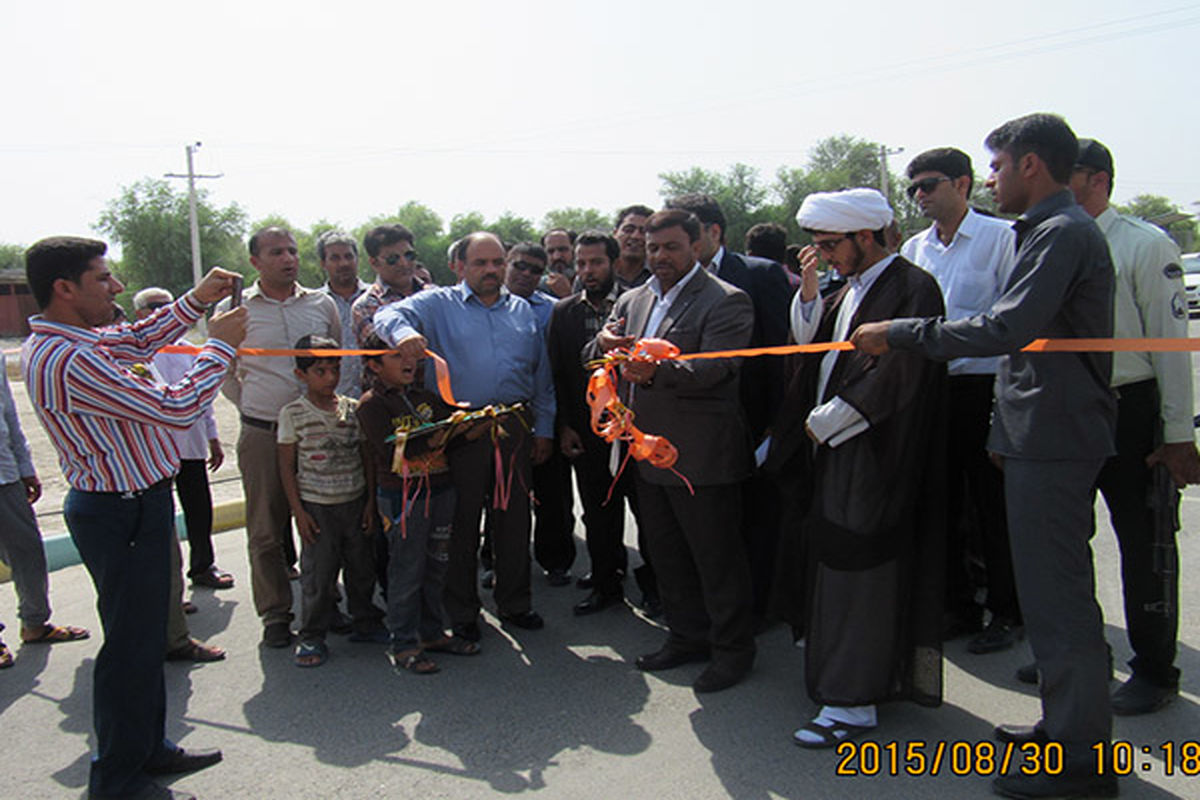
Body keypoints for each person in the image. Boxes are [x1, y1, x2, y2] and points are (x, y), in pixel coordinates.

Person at [851, 113, 1118, 799]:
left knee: (1060, 603)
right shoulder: (1049, 232)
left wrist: (899, 332)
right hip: (1039, 431)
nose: (991, 179)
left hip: (1057, 437)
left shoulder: (1060, 234)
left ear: (1031, 165)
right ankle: (1064, 725)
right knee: (1050, 593)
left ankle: (1081, 764)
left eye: (996, 167)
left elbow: (1007, 327)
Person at [23, 235, 243, 799]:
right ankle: (117, 780)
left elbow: (139, 336)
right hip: (115, 513)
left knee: (145, 641)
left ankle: (147, 749)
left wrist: (195, 301)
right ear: (64, 289)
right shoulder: (68, 358)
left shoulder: (83, 340)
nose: (116, 286)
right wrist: (218, 348)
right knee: (127, 647)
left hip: (138, 505)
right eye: (103, 278)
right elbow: (174, 409)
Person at [766, 188, 947, 747]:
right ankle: (847, 681)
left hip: (870, 456)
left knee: (858, 570)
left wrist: (826, 423)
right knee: (838, 565)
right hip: (836, 451)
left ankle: (853, 706)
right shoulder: (853, 288)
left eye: (829, 245)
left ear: (864, 237)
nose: (822, 256)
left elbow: (897, 377)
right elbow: (811, 350)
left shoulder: (912, 286)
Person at [1048, 137, 1200, 714]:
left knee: (1145, 543)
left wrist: (1178, 434)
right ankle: (1079, 655)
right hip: (1065, 407)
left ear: (1099, 179)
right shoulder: (1050, 243)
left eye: (1073, 173)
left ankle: (1155, 667)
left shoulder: (1142, 244)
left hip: (1128, 407)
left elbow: (1170, 349)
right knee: (1066, 542)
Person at [590, 209, 756, 693]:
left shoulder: (727, 301)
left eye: (671, 247)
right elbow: (600, 353)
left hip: (701, 456)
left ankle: (732, 652)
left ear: (698, 245)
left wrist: (655, 372)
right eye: (653, 247)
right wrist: (603, 341)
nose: (659, 256)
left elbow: (717, 369)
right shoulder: (635, 297)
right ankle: (686, 638)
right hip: (646, 452)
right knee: (666, 554)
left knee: (716, 559)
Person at [374, 231, 555, 642]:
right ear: (459, 266)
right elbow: (386, 317)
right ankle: (462, 611)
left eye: (497, 262)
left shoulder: (523, 311)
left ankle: (515, 603)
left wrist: (543, 428)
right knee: (459, 523)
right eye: (481, 263)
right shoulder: (437, 304)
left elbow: (540, 377)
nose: (491, 270)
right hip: (462, 430)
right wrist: (403, 335)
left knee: (513, 521)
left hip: (515, 426)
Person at [899, 147, 1022, 653]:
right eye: (913, 189)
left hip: (985, 387)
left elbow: (1012, 327)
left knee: (993, 507)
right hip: (932, 389)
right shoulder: (914, 249)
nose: (920, 196)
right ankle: (958, 605)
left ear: (963, 184)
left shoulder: (1002, 239)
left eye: (929, 185)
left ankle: (1008, 610)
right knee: (940, 502)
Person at [664, 193, 793, 622]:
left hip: (750, 423)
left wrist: (777, 424)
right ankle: (704, 615)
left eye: (686, 230)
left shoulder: (759, 275)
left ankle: (757, 612)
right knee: (703, 535)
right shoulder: (667, 282)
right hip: (690, 434)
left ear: (712, 232)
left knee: (753, 523)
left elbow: (780, 355)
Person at [217, 226, 341, 649]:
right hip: (263, 431)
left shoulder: (321, 305)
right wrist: (258, 407)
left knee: (323, 522)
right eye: (275, 252)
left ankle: (326, 605)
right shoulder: (233, 310)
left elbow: (335, 358)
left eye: (292, 251)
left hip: (319, 433)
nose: (288, 258)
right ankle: (275, 613)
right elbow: (224, 374)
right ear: (255, 262)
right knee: (267, 530)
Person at [356, 332, 483, 672]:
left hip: (441, 490)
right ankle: (404, 643)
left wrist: (470, 428)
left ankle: (431, 633)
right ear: (374, 364)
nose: (409, 361)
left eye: (412, 355)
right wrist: (437, 437)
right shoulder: (371, 404)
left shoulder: (426, 396)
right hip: (402, 496)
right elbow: (391, 454)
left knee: (437, 564)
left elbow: (450, 441)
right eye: (396, 356)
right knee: (407, 568)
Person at [130, 288, 227, 666]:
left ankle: (202, 566)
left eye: (165, 308)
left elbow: (202, 397)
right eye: (153, 309)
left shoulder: (189, 346)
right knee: (162, 524)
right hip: (157, 447)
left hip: (190, 443)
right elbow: (167, 402)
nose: (160, 313)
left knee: (199, 508)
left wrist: (214, 436)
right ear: (139, 314)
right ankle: (168, 603)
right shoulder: (135, 351)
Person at [277, 335, 382, 667]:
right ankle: (311, 636)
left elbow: (366, 457)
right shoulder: (293, 413)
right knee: (319, 576)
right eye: (320, 371)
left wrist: (369, 504)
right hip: (317, 507)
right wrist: (298, 512)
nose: (330, 377)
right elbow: (286, 467)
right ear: (300, 374)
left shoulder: (352, 409)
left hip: (354, 501)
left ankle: (365, 621)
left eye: (334, 369)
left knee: (361, 568)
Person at [548, 231, 637, 616]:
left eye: (596, 262)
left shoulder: (638, 303)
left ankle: (654, 586)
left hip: (636, 429)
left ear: (614, 263)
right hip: (589, 429)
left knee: (648, 513)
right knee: (598, 511)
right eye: (581, 263)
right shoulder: (564, 312)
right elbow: (559, 375)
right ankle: (606, 584)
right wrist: (566, 426)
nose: (587, 270)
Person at [0, 351, 90, 670]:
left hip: (5, 473)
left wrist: (24, 465)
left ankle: (35, 623)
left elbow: (9, 415)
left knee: (27, 552)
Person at [505, 242, 575, 586]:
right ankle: (496, 560)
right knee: (501, 496)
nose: (527, 274)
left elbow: (555, 368)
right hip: (499, 417)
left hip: (545, 410)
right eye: (520, 266)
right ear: (506, 264)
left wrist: (549, 425)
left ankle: (556, 560)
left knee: (552, 495)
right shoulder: (484, 305)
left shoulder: (554, 309)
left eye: (536, 270)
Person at [351, 224, 426, 351]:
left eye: (409, 255)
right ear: (374, 263)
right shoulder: (365, 306)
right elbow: (388, 356)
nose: (403, 263)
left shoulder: (435, 293)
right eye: (393, 259)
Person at [316, 230, 370, 398]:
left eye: (348, 256)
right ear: (323, 263)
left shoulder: (378, 299)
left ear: (357, 259)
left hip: (378, 403)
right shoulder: (313, 303)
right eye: (335, 258)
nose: (343, 263)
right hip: (332, 403)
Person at [611, 205, 654, 290]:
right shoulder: (598, 272)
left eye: (644, 232)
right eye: (629, 230)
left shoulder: (660, 275)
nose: (636, 236)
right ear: (615, 234)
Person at [540, 228, 576, 298]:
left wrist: (567, 295)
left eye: (563, 250)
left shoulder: (590, 283)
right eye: (551, 251)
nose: (557, 257)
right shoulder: (538, 287)